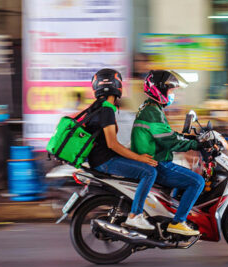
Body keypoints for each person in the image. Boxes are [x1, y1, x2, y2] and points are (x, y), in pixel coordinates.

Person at [83, 68, 159, 232]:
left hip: (101, 159)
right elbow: (112, 144)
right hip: (105, 161)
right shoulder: (107, 110)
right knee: (148, 172)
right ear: (116, 86)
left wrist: (135, 154)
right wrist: (139, 158)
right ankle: (135, 216)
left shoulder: (96, 107)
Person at [131, 70, 204, 237]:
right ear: (160, 90)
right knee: (197, 182)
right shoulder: (152, 112)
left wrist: (187, 137)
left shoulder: (150, 108)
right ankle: (178, 222)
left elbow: (166, 134)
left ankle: (172, 213)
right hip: (158, 162)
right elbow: (169, 141)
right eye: (171, 91)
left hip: (156, 158)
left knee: (185, 176)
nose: (173, 95)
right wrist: (195, 143)